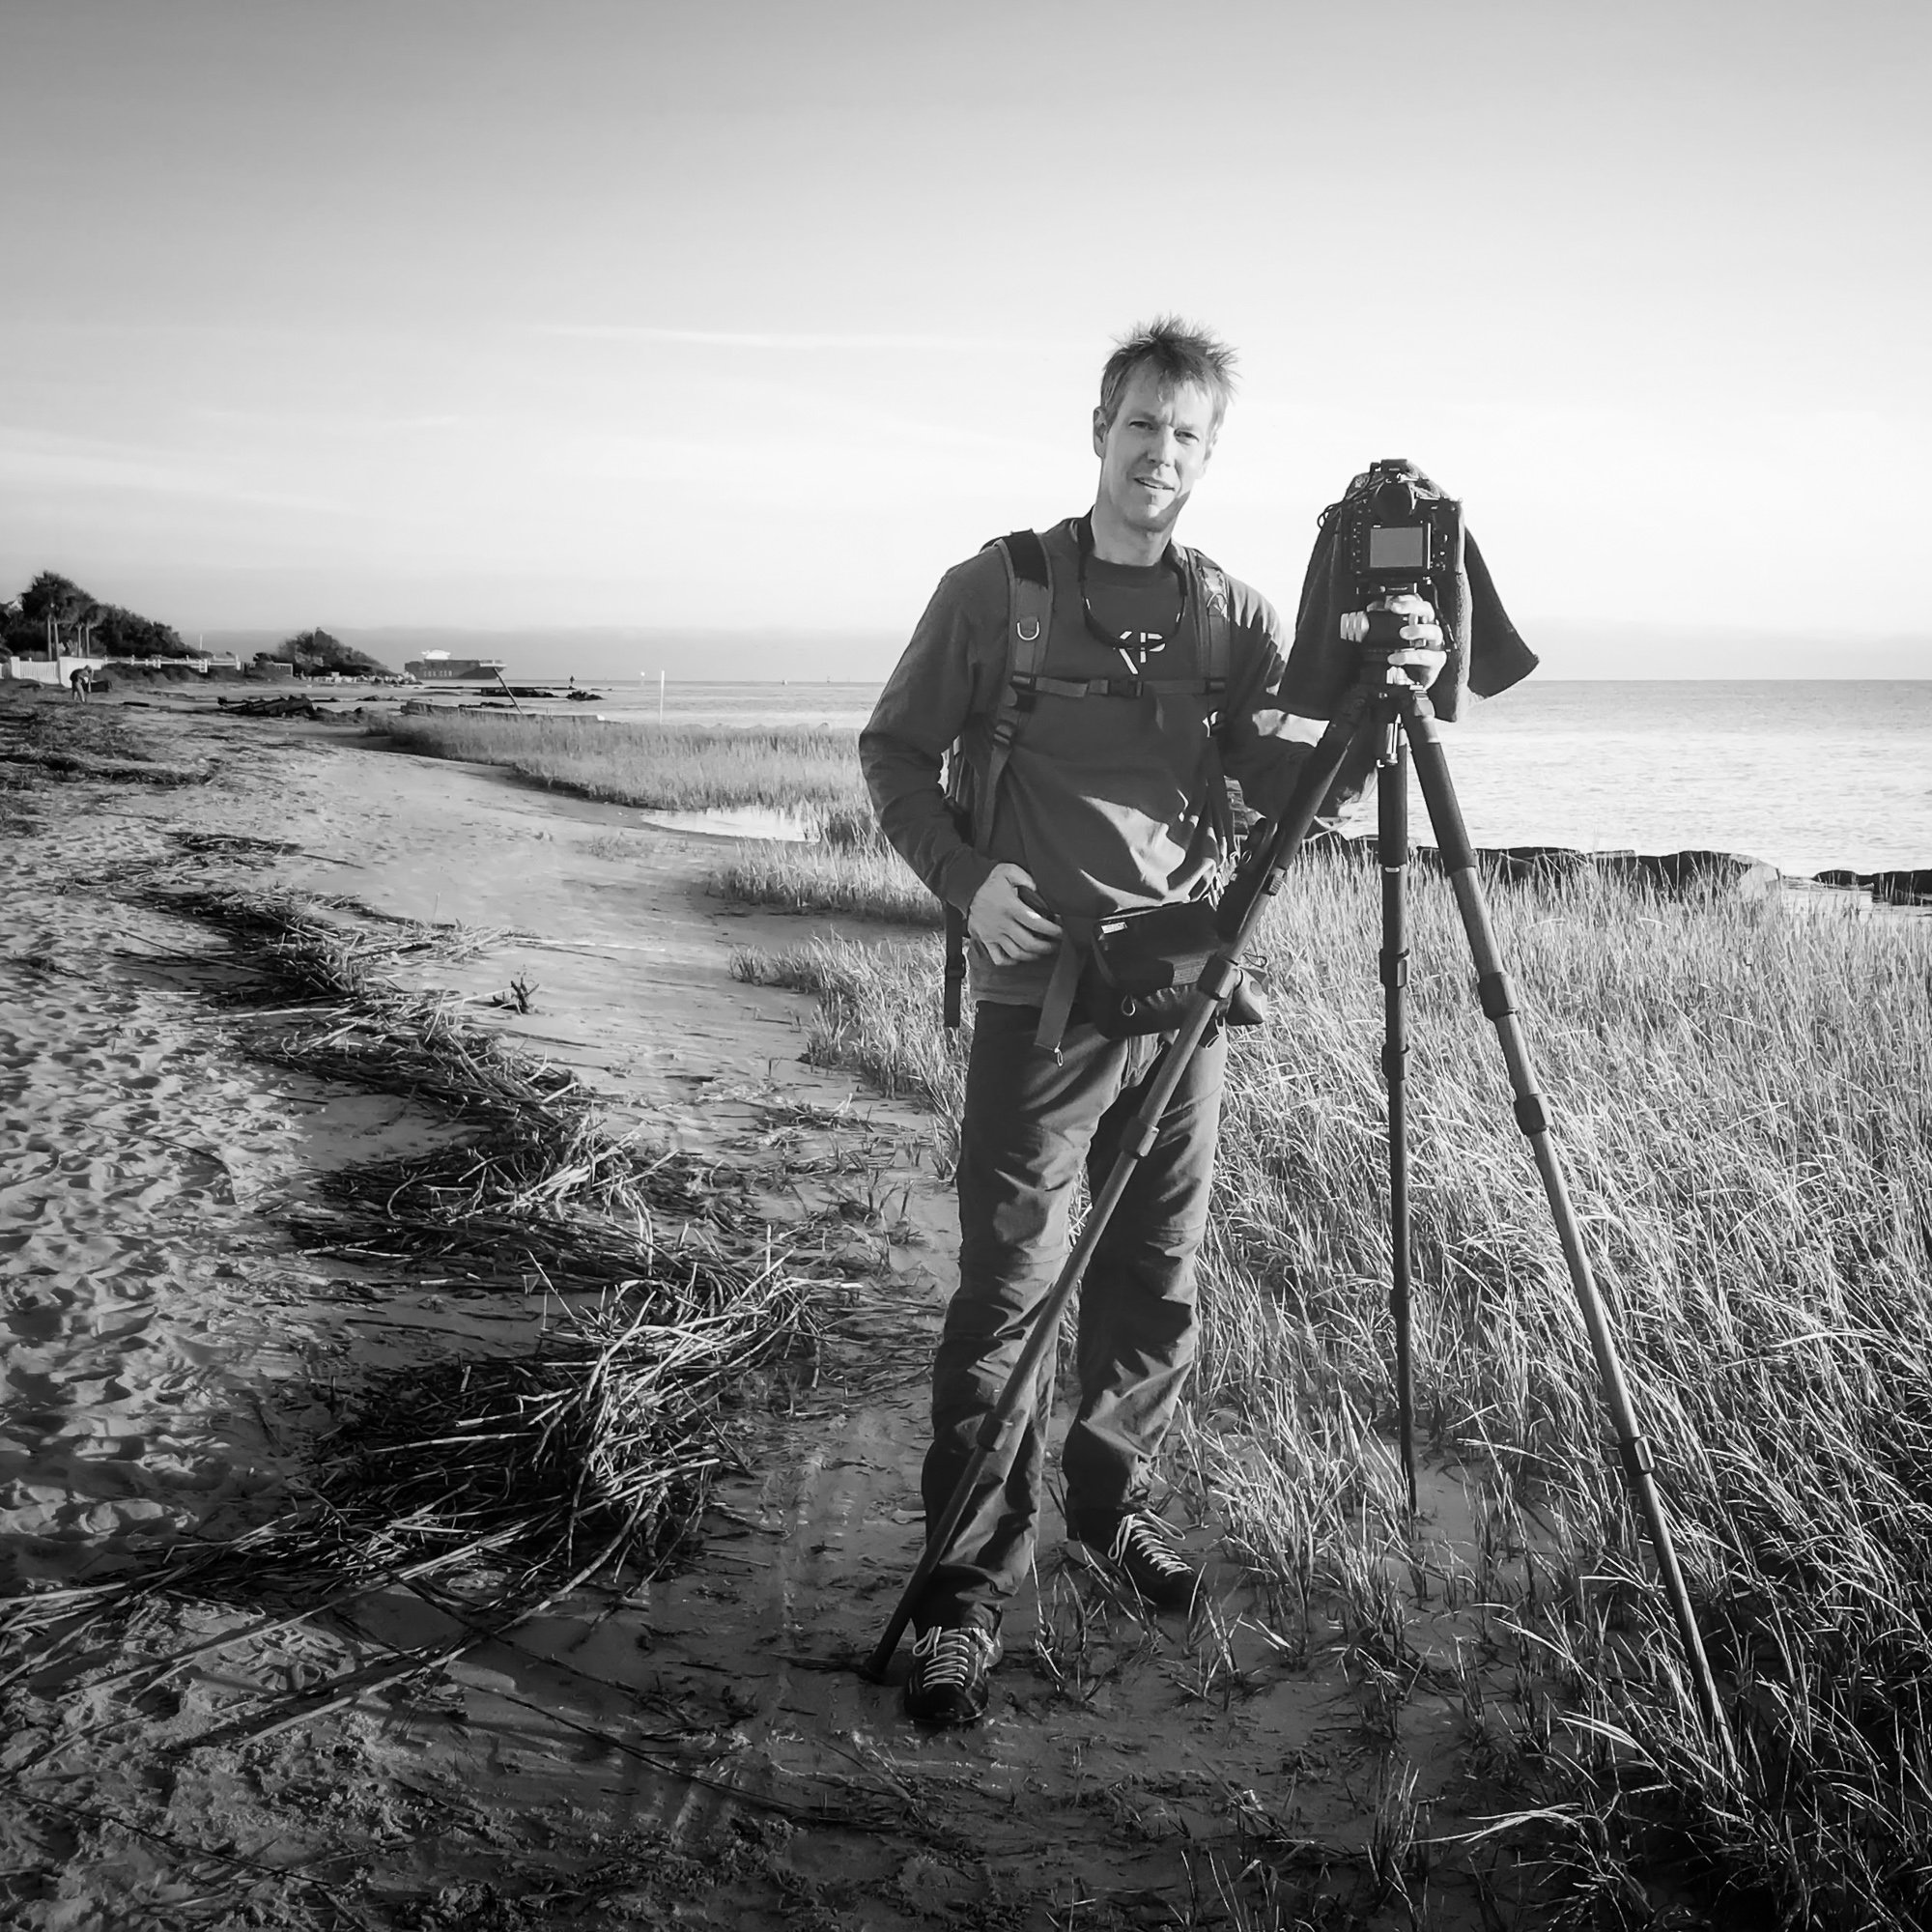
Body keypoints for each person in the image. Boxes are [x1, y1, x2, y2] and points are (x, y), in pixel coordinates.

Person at [860, 318, 1446, 1727]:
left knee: (1155, 1283)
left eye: (1186, 436)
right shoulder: (996, 590)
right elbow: (891, 750)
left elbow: (1279, 771)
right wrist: (964, 876)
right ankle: (961, 1591)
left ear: (1207, 455)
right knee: (1007, 1294)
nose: (1158, 453)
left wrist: (1394, 688)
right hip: (1037, 1001)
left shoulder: (1235, 616)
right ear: (1099, 428)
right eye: (1140, 425)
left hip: (1184, 1005)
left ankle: (1110, 1513)